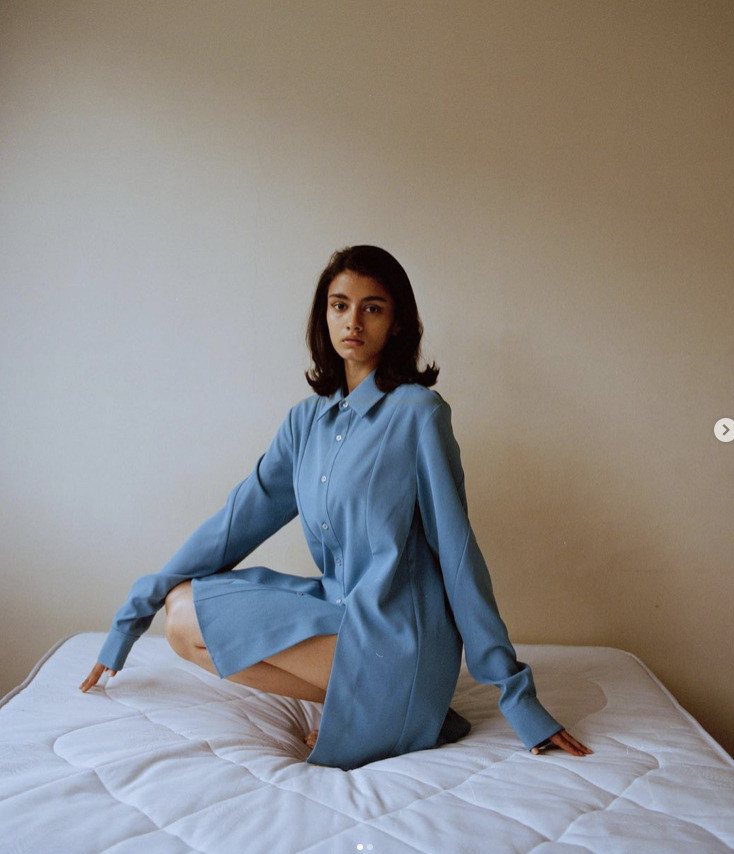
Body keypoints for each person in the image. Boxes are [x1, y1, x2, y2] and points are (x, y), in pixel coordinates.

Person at [80, 245, 591, 769]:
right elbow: (233, 525)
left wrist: (517, 697)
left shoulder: (419, 414)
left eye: (373, 307)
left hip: (400, 637)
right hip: (339, 611)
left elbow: (459, 556)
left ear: (396, 324)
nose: (353, 321)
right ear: (323, 315)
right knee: (182, 614)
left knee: (190, 616)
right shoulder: (305, 423)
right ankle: (390, 714)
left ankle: (402, 705)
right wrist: (135, 611)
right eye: (339, 305)